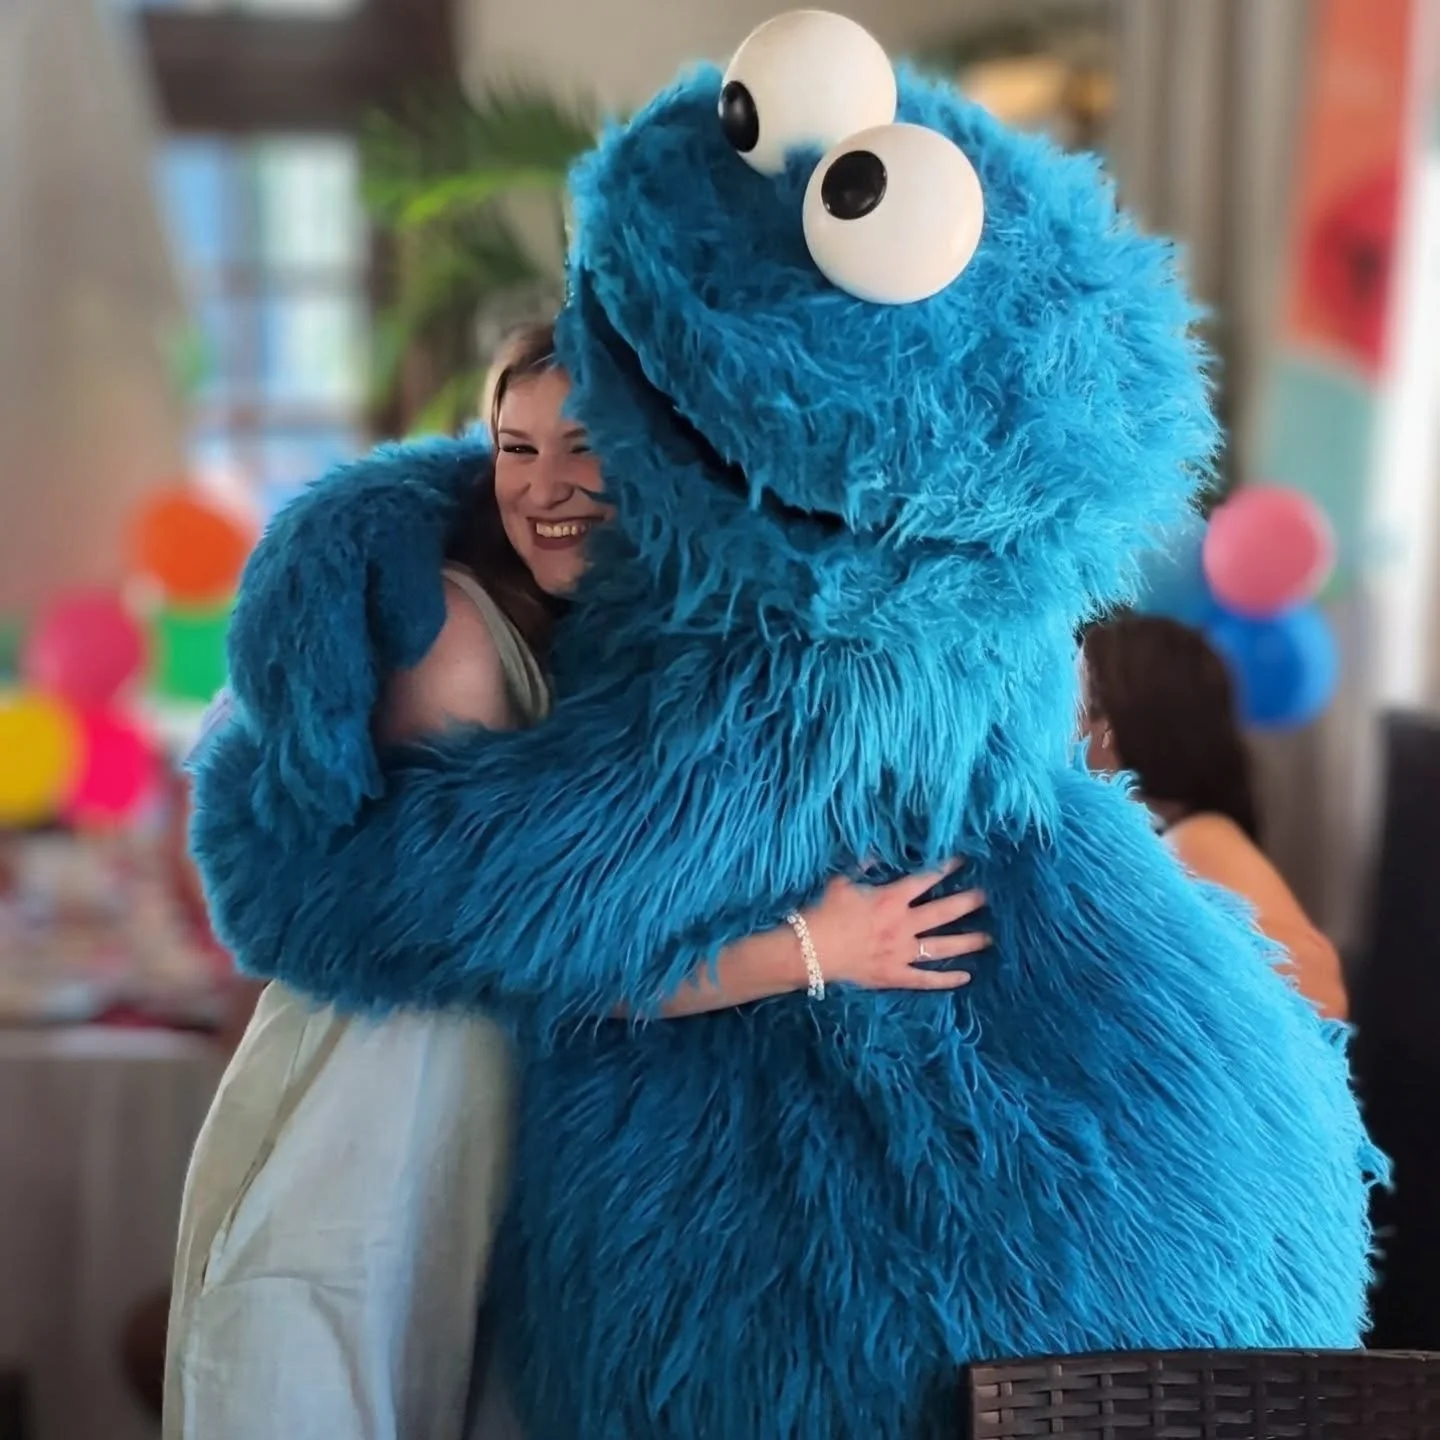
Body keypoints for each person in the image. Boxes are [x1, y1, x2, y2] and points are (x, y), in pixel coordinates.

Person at [163, 321, 991, 1440]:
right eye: (514, 449)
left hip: (528, 1121)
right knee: (337, 1379)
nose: (543, 488)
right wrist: (816, 949)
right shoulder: (452, 636)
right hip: (392, 1104)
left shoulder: (614, 646)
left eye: (584, 446)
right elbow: (530, 957)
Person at [1080, 612, 1348, 1020]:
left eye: (1074, 704)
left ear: (1113, 727)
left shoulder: (1196, 841)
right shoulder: (1170, 841)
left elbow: (1320, 1000)